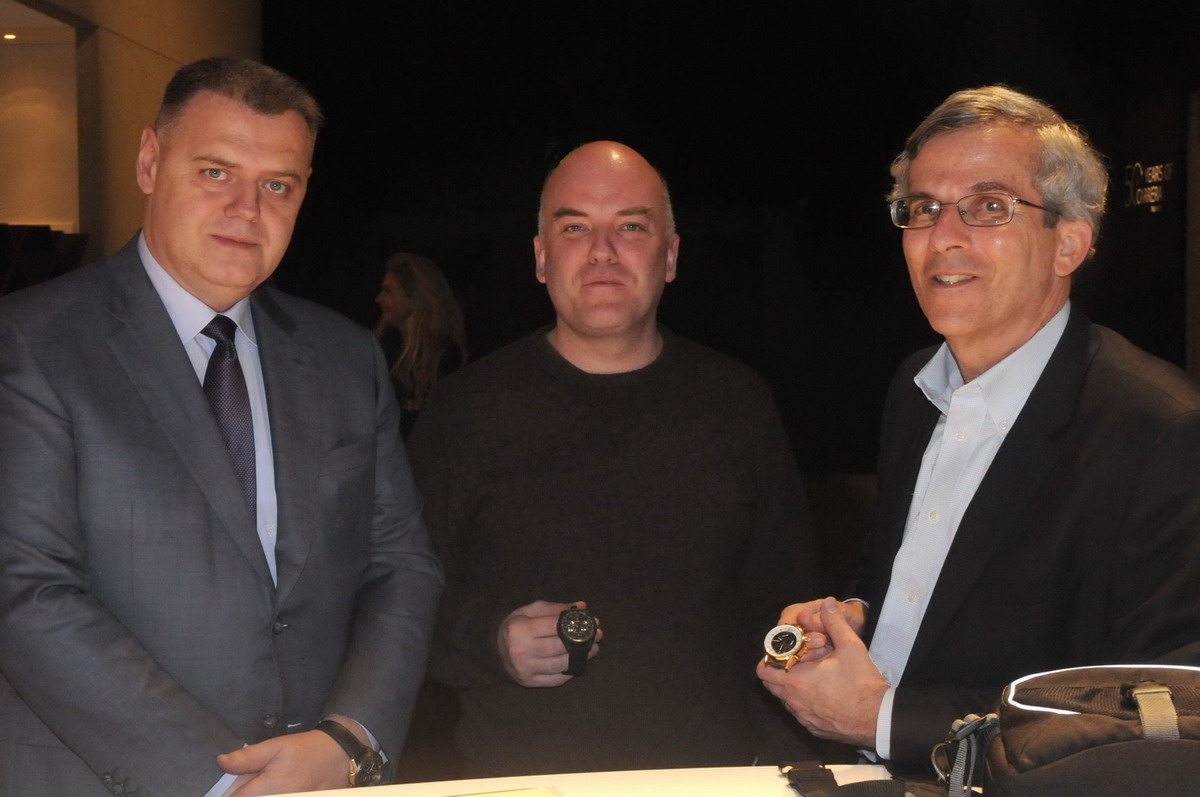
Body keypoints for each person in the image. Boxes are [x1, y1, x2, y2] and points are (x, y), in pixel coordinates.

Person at [0, 58, 443, 796]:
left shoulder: (345, 358)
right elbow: (25, 592)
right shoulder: (31, 343)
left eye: (278, 185)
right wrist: (225, 784)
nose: (247, 208)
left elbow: (401, 565)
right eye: (215, 172)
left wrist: (349, 736)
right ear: (150, 161)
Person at [758, 85, 1200, 773]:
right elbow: (912, 580)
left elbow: (1155, 719)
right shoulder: (915, 387)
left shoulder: (1161, 432)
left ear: (1069, 243)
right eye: (923, 208)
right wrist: (852, 618)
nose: (943, 237)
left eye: (989, 206)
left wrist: (882, 718)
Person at [406, 140, 816, 777]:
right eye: (575, 228)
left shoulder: (737, 403)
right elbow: (402, 602)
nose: (602, 251)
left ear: (670, 256)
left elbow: (785, 603)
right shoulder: (464, 410)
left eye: (630, 226)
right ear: (541, 258)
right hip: (522, 781)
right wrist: (491, 640)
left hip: (712, 778)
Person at [374, 251, 467, 438]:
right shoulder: (383, 348)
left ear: (413, 296)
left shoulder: (447, 355)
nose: (379, 299)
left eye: (388, 291)